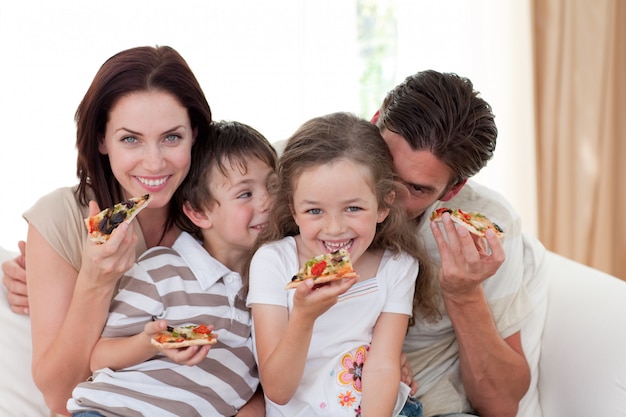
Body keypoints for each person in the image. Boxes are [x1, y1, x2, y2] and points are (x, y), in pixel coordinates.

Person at [1, 44, 261, 417]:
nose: (154, 162)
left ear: (195, 134)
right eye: (130, 139)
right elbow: (60, 397)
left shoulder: (232, 213)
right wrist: (95, 279)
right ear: (101, 141)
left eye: (172, 137)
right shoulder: (61, 218)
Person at [66, 120, 277, 416]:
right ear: (198, 212)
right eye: (245, 194)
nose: (268, 202)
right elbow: (99, 357)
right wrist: (152, 343)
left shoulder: (270, 288)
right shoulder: (162, 268)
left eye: (273, 186)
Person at [373, 70, 547, 417]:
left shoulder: (484, 226)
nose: (387, 197)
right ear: (374, 122)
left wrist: (464, 295)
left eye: (417, 189)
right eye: (383, 168)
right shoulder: (292, 174)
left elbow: (501, 405)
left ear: (452, 191)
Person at [246, 112, 429, 417]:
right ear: (293, 210)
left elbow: (383, 367)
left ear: (383, 205)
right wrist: (304, 316)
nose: (334, 229)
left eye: (353, 208)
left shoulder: (397, 267)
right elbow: (277, 390)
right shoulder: (273, 262)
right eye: (315, 211)